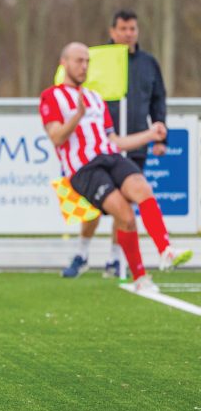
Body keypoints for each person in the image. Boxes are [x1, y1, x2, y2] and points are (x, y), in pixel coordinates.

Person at [40, 43, 191, 292]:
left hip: (109, 156)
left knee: (142, 188)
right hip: (83, 168)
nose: (84, 66)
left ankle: (166, 250)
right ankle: (140, 278)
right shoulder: (51, 96)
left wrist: (150, 134)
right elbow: (56, 137)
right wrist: (77, 115)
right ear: (64, 62)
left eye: (87, 61)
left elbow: (115, 141)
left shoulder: (95, 98)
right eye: (79, 61)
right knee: (124, 215)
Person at [62, 10, 169, 278]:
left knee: (126, 204)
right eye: (123, 29)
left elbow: (158, 98)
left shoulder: (148, 63)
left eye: (132, 29)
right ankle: (82, 253)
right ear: (112, 31)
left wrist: (159, 135)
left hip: (132, 142)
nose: (128, 34)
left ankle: (116, 258)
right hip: (97, 149)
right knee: (93, 205)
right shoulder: (98, 60)